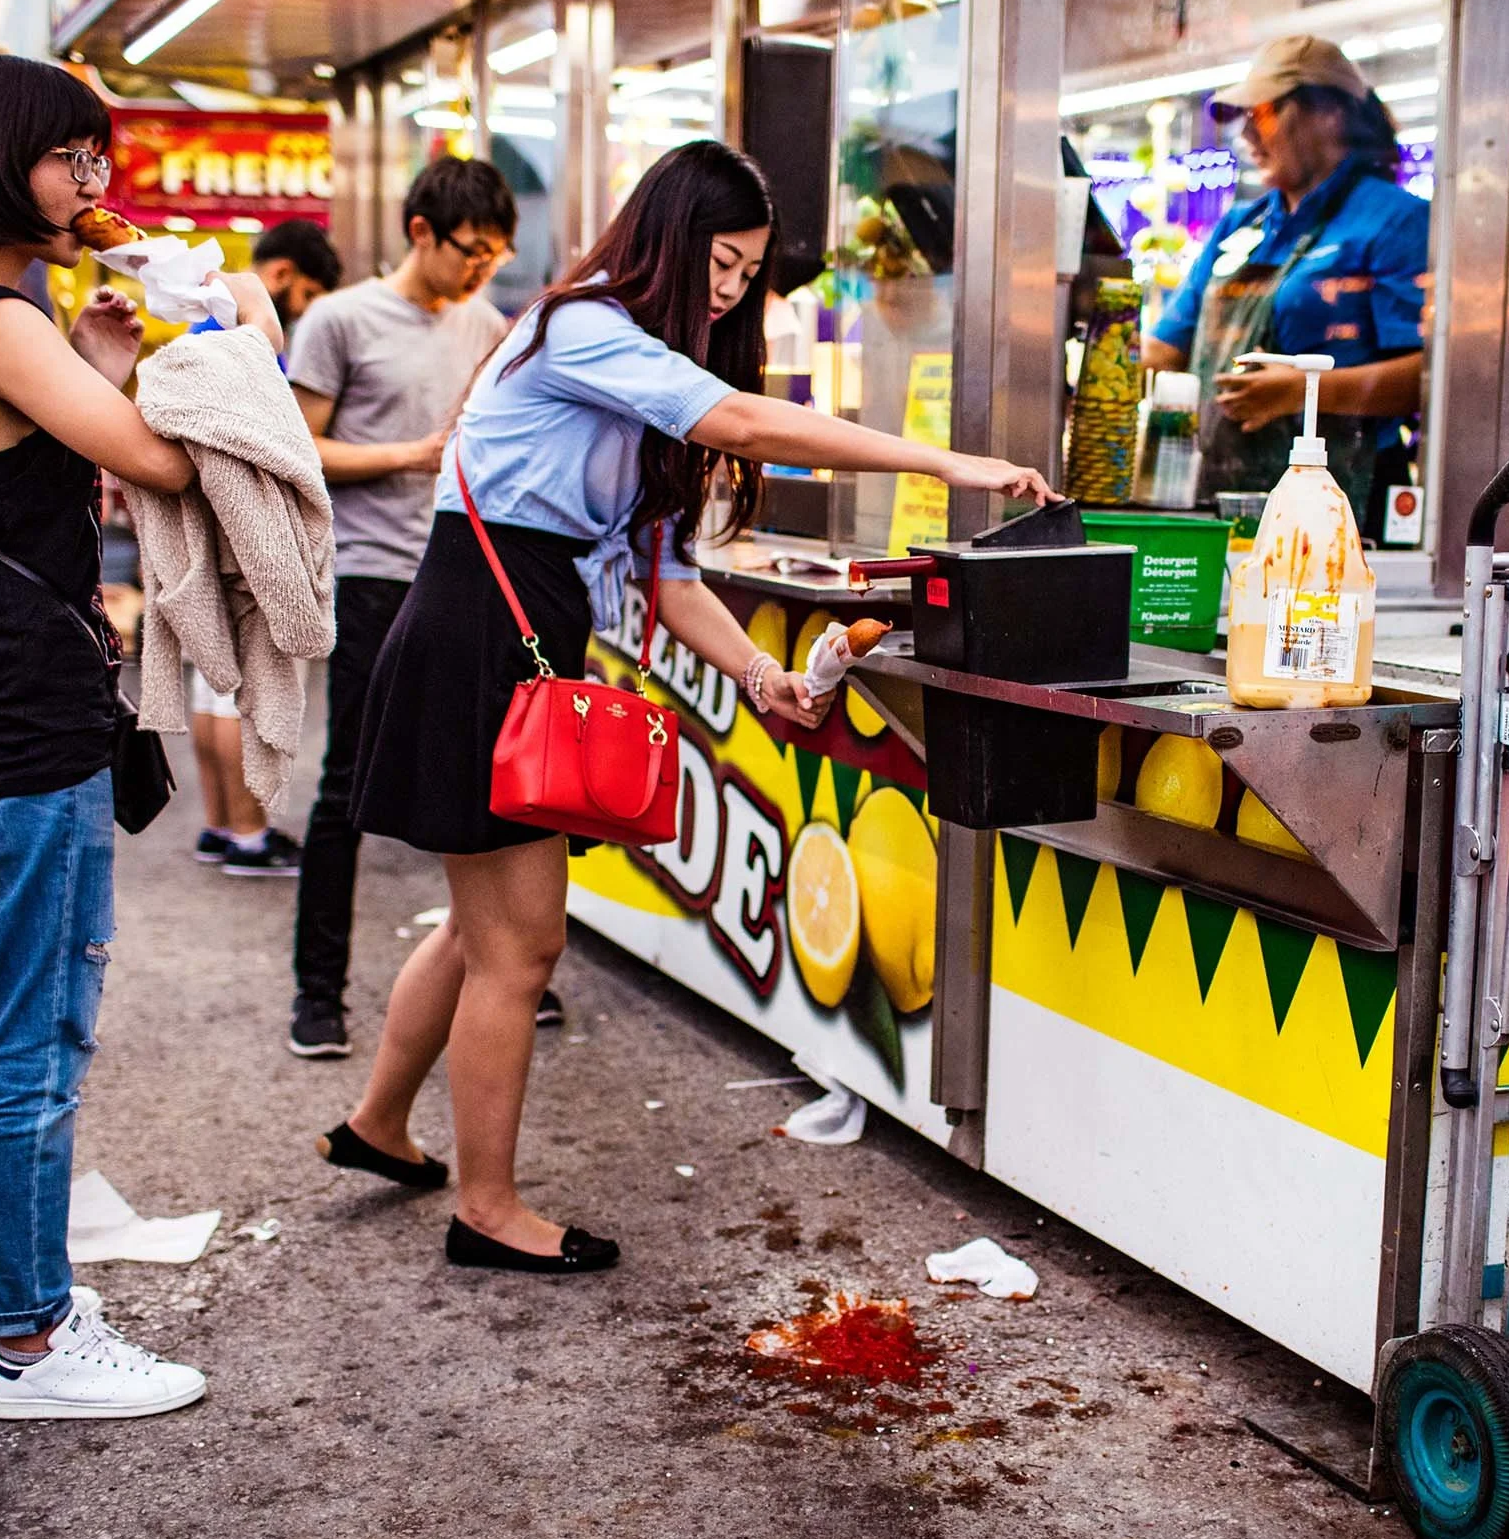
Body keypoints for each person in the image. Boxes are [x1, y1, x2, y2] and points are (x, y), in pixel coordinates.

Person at [319, 141, 1055, 1273]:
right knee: (524, 946)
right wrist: (950, 464)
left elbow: (667, 580)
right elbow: (749, 427)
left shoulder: (638, 365)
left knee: (479, 928)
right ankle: (489, 1206)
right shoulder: (582, 327)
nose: (729, 289)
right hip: (480, 623)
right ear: (665, 237)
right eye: (719, 261)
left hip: (515, 628)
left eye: (747, 272)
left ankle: (378, 1126)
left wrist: (758, 676)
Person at [0, 53, 281, 1418]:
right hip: (9, 708)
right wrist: (216, 320)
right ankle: (34, 1344)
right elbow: (168, 458)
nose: (91, 183)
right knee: (33, 1035)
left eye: (97, 157)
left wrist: (98, 353)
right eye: (68, 156)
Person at [284, 157, 515, 1059]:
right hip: (372, 575)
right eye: (470, 250)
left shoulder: (487, 320)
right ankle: (317, 994)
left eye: (496, 256)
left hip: (466, 576)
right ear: (420, 230)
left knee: (487, 783)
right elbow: (298, 449)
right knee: (349, 782)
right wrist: (409, 455)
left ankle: (504, 969)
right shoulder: (338, 320)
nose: (479, 270)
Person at [1142, 34, 1429, 522]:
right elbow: (1170, 347)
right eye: (1245, 119)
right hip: (1228, 494)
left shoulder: (1396, 221)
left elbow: (1427, 377)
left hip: (1345, 498)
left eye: (1266, 114)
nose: (1247, 135)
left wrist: (1302, 390)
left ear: (1330, 115)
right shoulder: (1241, 225)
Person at [181, 218, 345, 878]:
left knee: (213, 683)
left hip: (202, 523)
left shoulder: (202, 333)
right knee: (245, 687)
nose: (302, 314)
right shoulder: (247, 345)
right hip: (240, 527)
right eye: (304, 296)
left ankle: (221, 824)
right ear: (279, 279)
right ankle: (250, 834)